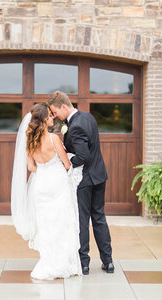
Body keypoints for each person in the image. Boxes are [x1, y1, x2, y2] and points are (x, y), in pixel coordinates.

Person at [11, 103, 82, 280]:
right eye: (50, 115)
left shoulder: (29, 140)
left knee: (45, 225)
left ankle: (47, 261)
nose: (52, 118)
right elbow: (66, 164)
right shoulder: (53, 139)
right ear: (43, 119)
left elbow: (30, 167)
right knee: (61, 223)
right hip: (57, 183)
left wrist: (43, 169)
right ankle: (62, 264)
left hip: (40, 185)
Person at [48, 91, 114, 275]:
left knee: (82, 220)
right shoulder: (88, 117)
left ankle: (83, 263)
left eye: (55, 112)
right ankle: (108, 262)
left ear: (63, 107)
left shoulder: (75, 126)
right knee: (99, 218)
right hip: (100, 175)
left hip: (85, 179)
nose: (55, 116)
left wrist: (67, 164)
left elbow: (83, 156)